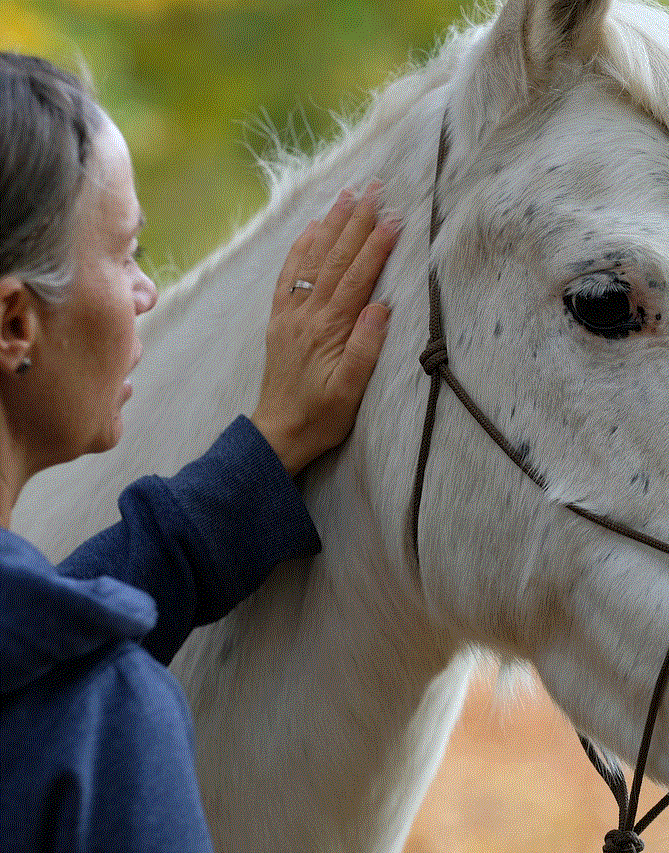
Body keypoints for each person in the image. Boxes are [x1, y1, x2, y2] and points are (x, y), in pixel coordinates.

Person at [0, 52, 400, 851]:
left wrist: (264, 452)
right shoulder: (107, 729)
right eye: (126, 253)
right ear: (14, 324)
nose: (145, 293)